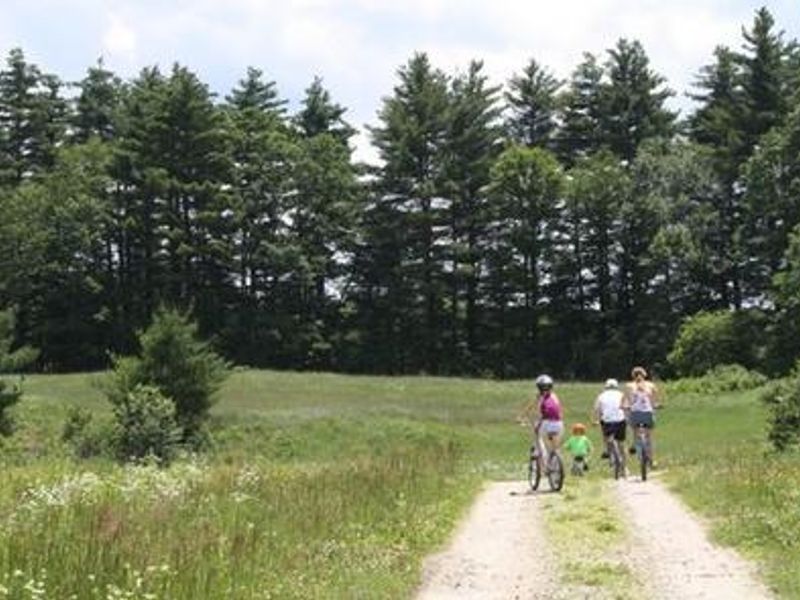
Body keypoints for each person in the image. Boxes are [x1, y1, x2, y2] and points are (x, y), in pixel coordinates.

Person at [518, 374, 564, 473]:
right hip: (559, 423)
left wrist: (521, 417)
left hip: (547, 423)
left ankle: (544, 462)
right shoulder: (555, 396)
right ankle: (556, 460)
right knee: (554, 445)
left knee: (537, 436)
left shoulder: (540, 396)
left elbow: (533, 408)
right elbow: (559, 411)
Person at [623, 366, 661, 467]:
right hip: (648, 413)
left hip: (635, 414)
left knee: (634, 430)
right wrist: (656, 405)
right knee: (649, 437)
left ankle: (634, 444)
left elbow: (625, 400)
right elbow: (656, 398)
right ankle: (652, 460)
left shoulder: (629, 386)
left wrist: (624, 406)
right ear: (644, 375)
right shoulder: (651, 385)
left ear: (633, 376)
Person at [594, 378, 627, 471]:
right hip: (620, 420)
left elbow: (598, 410)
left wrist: (596, 420)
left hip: (607, 421)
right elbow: (625, 407)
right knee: (622, 444)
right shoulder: (621, 394)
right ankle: (625, 468)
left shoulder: (601, 396)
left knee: (607, 437)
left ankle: (609, 452)